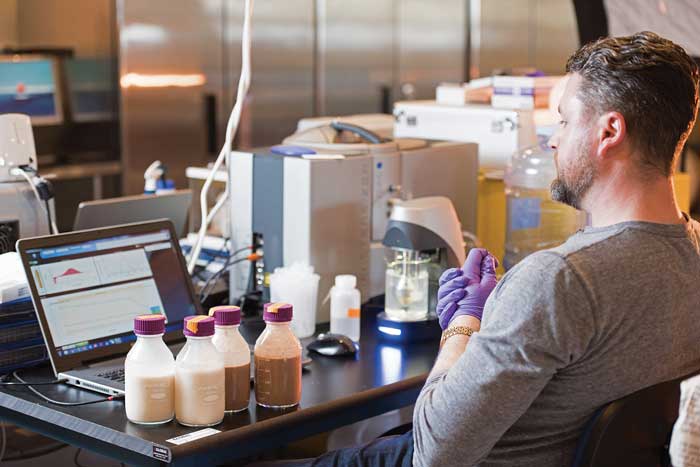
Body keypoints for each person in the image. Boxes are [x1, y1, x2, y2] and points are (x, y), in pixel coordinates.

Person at [252, 31, 700, 467]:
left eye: (564, 120)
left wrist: (464, 325)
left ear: (609, 131)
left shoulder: (560, 279)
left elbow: (433, 454)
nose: (553, 139)